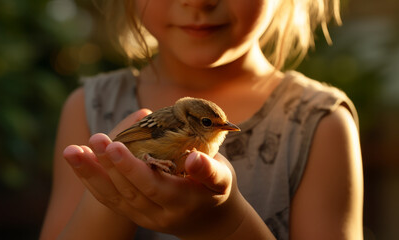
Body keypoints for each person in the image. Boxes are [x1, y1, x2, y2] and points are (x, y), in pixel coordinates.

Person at [40, 0, 364, 239]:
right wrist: (112, 192)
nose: (198, 2)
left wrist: (228, 224)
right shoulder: (89, 107)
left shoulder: (320, 122)